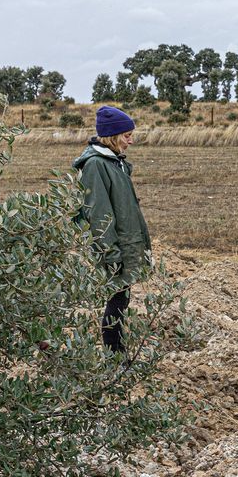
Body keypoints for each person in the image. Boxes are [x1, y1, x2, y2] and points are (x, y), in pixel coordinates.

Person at [73, 106, 152, 354]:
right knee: (116, 301)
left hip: (123, 243)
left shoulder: (114, 162)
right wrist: (111, 254)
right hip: (113, 247)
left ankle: (117, 353)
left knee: (121, 298)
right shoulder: (96, 165)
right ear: (113, 135)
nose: (131, 140)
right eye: (127, 135)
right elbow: (99, 214)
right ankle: (114, 356)